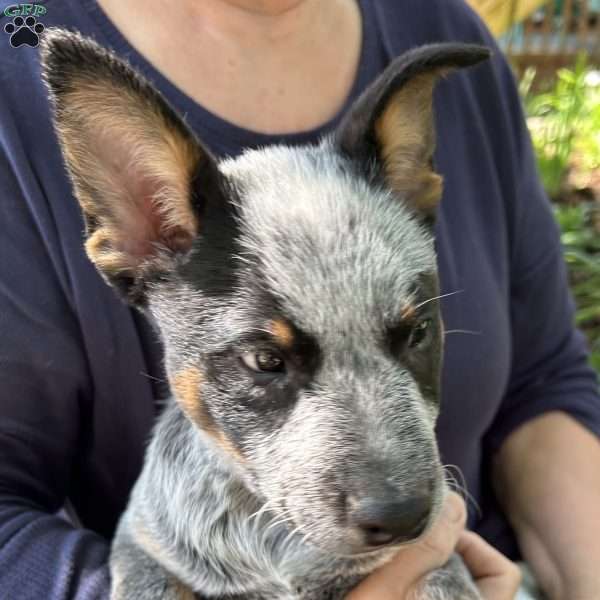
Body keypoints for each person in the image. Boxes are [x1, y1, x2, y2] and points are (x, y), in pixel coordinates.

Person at [0, 0, 598, 598]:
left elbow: (541, 382)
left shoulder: (437, 21)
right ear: (142, 230)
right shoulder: (15, 40)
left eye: (412, 333)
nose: (395, 490)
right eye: (267, 360)